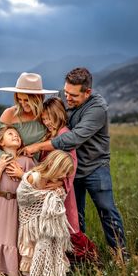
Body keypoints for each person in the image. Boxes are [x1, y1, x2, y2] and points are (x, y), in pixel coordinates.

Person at [22, 67, 128, 262]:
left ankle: (122, 258)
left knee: (107, 211)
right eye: (66, 92)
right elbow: (48, 114)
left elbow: (73, 138)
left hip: (96, 167)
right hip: (70, 169)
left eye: (73, 95)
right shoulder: (65, 97)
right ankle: (79, 258)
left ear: (87, 92)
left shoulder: (97, 109)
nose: (67, 98)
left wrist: (38, 146)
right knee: (73, 217)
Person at [40, 97, 97, 261]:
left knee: (69, 226)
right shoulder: (48, 134)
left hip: (61, 189)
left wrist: (60, 183)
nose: (46, 122)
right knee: (53, 226)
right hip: (47, 188)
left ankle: (89, 257)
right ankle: (61, 260)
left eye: (49, 118)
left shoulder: (64, 134)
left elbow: (71, 163)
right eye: (43, 118)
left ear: (58, 115)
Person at [16, 150, 74, 276]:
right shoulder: (33, 177)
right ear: (54, 166)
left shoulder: (56, 182)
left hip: (48, 223)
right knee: (34, 252)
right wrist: (48, 195)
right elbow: (23, 198)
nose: (64, 176)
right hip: (32, 223)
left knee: (48, 247)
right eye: (63, 171)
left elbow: (59, 198)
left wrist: (56, 192)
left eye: (66, 173)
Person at [0, 126, 35, 276]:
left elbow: (35, 184)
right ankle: (0, 275)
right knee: (2, 237)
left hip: (20, 205)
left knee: (17, 238)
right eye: (10, 134)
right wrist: (0, 169)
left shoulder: (27, 161)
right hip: (1, 205)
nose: (15, 136)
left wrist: (22, 175)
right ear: (0, 141)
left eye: (18, 135)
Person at [0, 72, 58, 162]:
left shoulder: (45, 115)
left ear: (38, 98)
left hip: (40, 168)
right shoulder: (10, 114)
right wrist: (10, 163)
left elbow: (57, 138)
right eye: (19, 99)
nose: (22, 104)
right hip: (13, 167)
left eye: (26, 100)